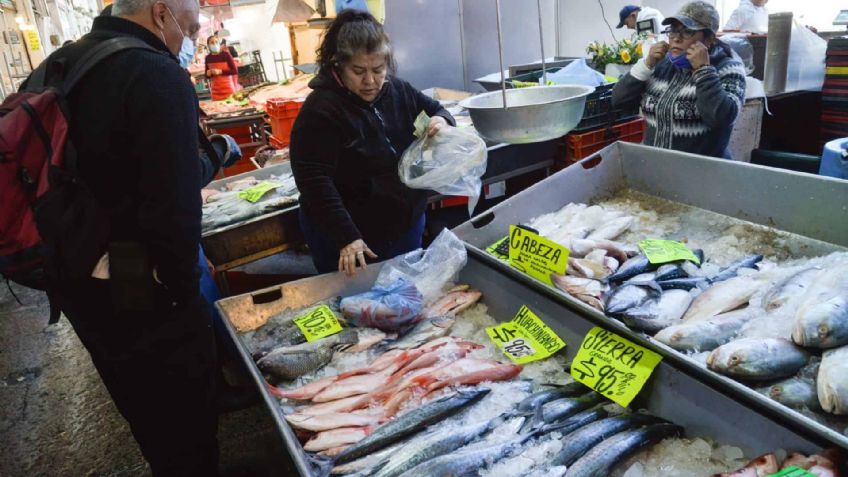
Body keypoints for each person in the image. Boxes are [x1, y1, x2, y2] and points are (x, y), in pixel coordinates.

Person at [20, 0, 221, 474]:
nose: (188, 40)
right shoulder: (154, 73)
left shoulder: (62, 63)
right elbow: (174, 213)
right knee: (183, 410)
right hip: (132, 265)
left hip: (72, 264)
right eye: (189, 27)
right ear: (159, 13)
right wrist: (183, 292)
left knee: (141, 400)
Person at [290, 9, 455, 276]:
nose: (370, 81)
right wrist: (346, 236)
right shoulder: (321, 110)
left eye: (378, 70)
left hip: (404, 225)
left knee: (404, 298)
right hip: (352, 239)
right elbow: (313, 180)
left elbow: (437, 110)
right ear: (339, 66)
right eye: (358, 71)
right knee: (358, 307)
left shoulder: (398, 90)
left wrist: (441, 121)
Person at [612, 1, 746, 159]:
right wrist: (646, 64)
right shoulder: (662, 64)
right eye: (673, 31)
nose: (676, 38)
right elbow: (619, 101)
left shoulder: (728, 69)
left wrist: (703, 70)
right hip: (654, 166)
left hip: (702, 172)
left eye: (688, 31)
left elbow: (720, 119)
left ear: (709, 39)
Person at [205, 34, 238, 100]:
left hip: (228, 89)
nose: (214, 44)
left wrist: (220, 72)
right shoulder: (208, 58)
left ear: (219, 43)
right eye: (212, 42)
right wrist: (207, 74)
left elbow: (234, 71)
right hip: (215, 92)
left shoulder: (226, 55)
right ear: (208, 46)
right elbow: (206, 75)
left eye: (216, 42)